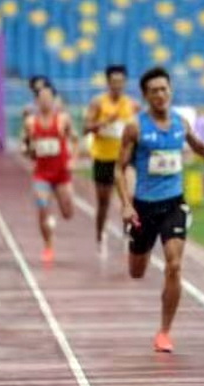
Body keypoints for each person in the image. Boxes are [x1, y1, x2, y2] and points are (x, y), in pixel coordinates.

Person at [116, 67, 204, 353]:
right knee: (136, 271)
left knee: (174, 265)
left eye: (164, 89)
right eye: (154, 91)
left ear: (170, 91)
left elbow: (201, 148)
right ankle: (136, 247)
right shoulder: (135, 127)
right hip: (143, 207)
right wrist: (125, 204)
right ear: (145, 96)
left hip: (174, 203)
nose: (160, 94)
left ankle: (164, 332)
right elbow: (119, 169)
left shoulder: (180, 123)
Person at [84, 65, 140, 257]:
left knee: (129, 197)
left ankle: (127, 234)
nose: (117, 85)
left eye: (121, 82)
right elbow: (85, 128)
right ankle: (100, 237)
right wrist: (105, 122)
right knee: (103, 203)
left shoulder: (132, 105)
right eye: (114, 82)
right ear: (108, 82)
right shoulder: (98, 103)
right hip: (103, 158)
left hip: (124, 159)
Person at [22, 85, 77, 263]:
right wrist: (28, 150)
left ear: (53, 100)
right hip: (42, 174)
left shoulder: (62, 119)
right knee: (42, 207)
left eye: (48, 98)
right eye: (41, 98)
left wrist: (73, 160)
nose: (45, 101)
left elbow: (75, 139)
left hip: (61, 174)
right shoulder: (30, 122)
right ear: (37, 101)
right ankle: (48, 245)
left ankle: (52, 219)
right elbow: (25, 146)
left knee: (68, 213)